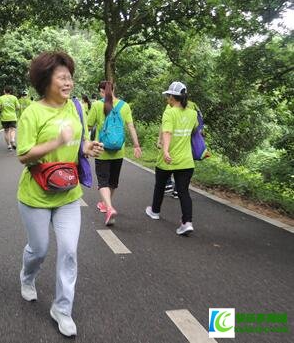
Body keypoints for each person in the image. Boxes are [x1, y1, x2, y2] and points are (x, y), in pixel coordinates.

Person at [16, 51, 103, 337]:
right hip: (36, 195)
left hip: (68, 194)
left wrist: (86, 147)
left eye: (70, 77)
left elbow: (78, 142)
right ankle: (27, 277)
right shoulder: (32, 112)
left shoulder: (75, 107)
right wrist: (56, 141)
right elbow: (24, 155)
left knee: (68, 251)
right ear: (46, 80)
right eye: (62, 77)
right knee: (39, 249)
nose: (69, 82)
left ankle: (62, 308)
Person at [145, 81, 198, 236]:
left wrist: (166, 150)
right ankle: (187, 222)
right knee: (183, 192)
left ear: (173, 98)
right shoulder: (192, 113)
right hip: (186, 160)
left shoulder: (169, 112)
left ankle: (155, 211)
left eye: (168, 96)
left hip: (168, 159)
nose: (167, 99)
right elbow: (195, 129)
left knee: (160, 186)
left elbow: (167, 132)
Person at [87, 81, 142, 226]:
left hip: (101, 149)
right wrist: (136, 145)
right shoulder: (125, 106)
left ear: (101, 91)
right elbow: (131, 127)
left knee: (103, 181)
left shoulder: (97, 105)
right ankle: (106, 205)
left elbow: (88, 125)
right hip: (119, 151)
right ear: (114, 89)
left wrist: (86, 144)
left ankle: (109, 207)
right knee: (112, 181)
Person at [0, 86, 20, 150]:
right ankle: (12, 139)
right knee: (12, 129)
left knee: (6, 131)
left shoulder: (0, 98)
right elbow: (18, 107)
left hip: (4, 117)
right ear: (10, 91)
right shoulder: (14, 98)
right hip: (12, 117)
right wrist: (13, 109)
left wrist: (2, 109)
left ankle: (9, 145)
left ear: (4, 91)